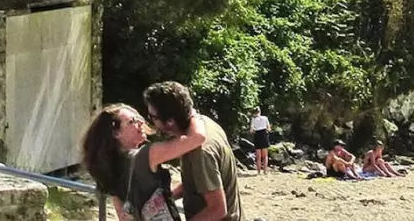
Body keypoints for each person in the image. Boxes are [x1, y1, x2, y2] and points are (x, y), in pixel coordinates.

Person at [80, 104, 206, 221]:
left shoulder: (112, 168)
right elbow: (197, 137)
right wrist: (192, 114)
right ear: (116, 133)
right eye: (132, 121)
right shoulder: (146, 156)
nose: (141, 122)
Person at [143, 81, 242, 221]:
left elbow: (217, 209)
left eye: (153, 117)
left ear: (170, 121)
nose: (151, 122)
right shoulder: (204, 123)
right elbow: (200, 181)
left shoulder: (200, 152)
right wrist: (169, 197)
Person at [248, 107, 271, 175]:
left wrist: (254, 131)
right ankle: (265, 171)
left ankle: (258, 171)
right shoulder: (265, 118)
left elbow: (251, 130)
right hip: (264, 135)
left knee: (258, 156)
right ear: (260, 111)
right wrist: (267, 130)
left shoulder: (253, 119)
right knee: (265, 155)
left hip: (257, 135)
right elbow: (269, 128)